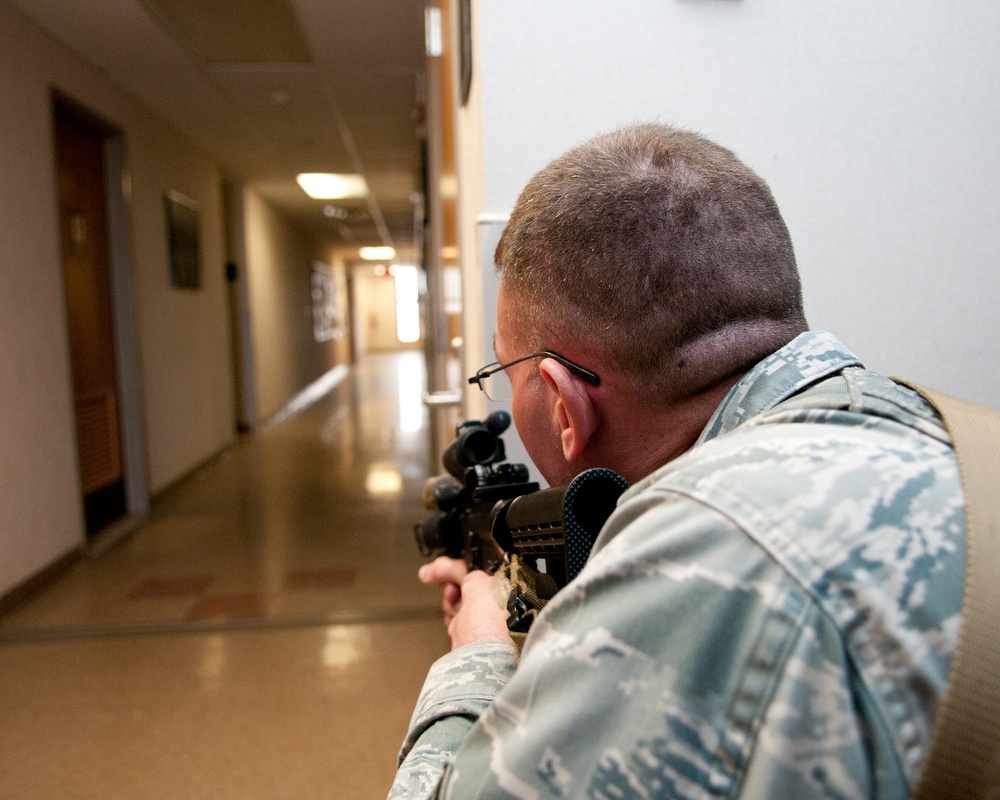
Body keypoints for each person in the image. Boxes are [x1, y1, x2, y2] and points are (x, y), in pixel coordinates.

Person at [389, 123, 963, 799]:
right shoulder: (927, 422)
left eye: (504, 367)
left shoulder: (699, 565)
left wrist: (478, 661)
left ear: (564, 406)